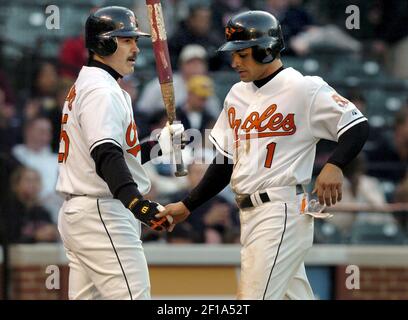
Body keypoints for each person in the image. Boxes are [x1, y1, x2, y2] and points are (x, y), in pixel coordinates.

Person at [158, 11, 369, 300]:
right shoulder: (236, 94)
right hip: (250, 213)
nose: (234, 62)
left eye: (243, 55)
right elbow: (224, 162)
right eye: (233, 54)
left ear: (267, 49)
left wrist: (334, 165)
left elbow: (356, 126)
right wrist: (188, 204)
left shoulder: (303, 88)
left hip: (281, 210)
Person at [56, 6, 183, 300]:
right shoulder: (103, 91)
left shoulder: (92, 84)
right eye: (127, 40)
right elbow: (106, 156)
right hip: (103, 211)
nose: (136, 48)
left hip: (85, 211)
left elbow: (119, 154)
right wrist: (137, 204)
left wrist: (158, 145)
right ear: (104, 43)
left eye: (135, 40)